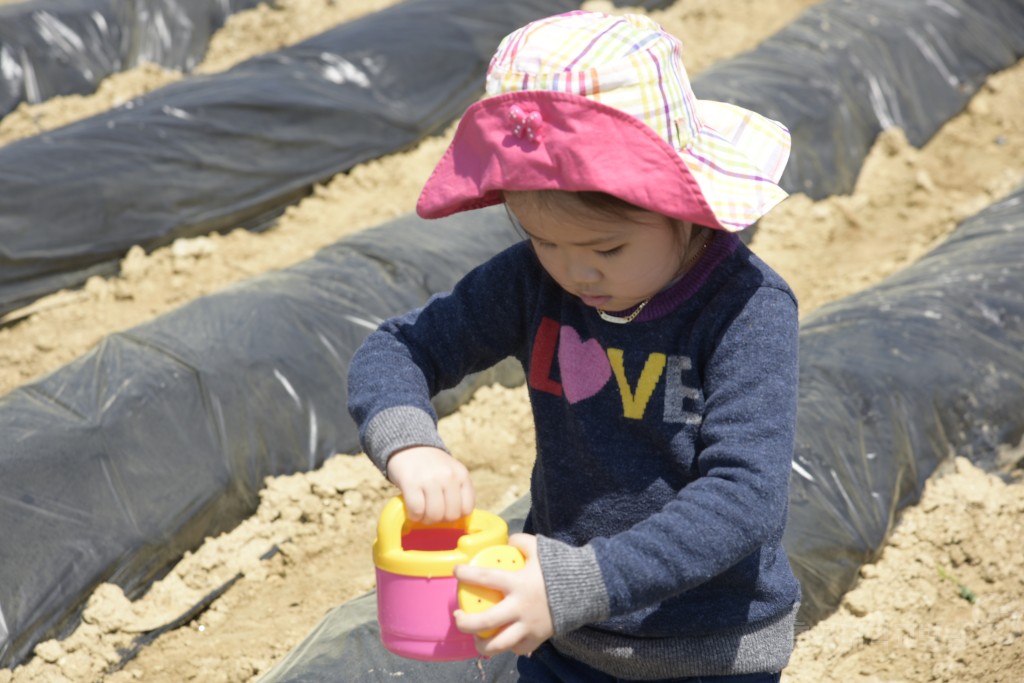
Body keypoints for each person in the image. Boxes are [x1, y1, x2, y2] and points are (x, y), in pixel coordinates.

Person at [347, 10, 800, 682]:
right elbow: (397, 348)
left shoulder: (746, 310)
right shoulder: (538, 285)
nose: (574, 271)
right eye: (543, 240)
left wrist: (580, 583)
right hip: (565, 641)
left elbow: (743, 497)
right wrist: (410, 442)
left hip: (706, 647)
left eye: (606, 248)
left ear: (683, 205)